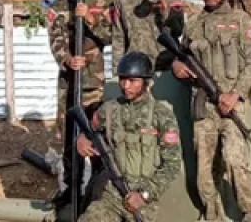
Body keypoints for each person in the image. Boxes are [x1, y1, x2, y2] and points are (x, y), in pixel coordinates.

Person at [171, 0, 251, 222]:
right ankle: (213, 216)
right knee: (204, 169)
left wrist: (237, 94)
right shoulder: (195, 23)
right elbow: (183, 54)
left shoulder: (241, 21)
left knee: (235, 161)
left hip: (233, 104)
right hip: (203, 104)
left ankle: (250, 213)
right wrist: (178, 66)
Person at [76, 51, 182, 222]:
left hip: (146, 201)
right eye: (123, 80)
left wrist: (144, 195)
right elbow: (89, 128)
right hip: (112, 195)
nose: (126, 86)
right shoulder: (109, 109)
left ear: (146, 82)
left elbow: (172, 164)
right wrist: (81, 139)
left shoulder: (162, 115)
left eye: (133, 81)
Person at [47, 0, 115, 207]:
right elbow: (55, 39)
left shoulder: (102, 2)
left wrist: (90, 19)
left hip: (94, 84)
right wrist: (66, 59)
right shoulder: (58, 7)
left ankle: (99, 190)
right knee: (69, 140)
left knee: (96, 136)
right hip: (69, 84)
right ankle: (71, 190)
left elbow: (110, 36)